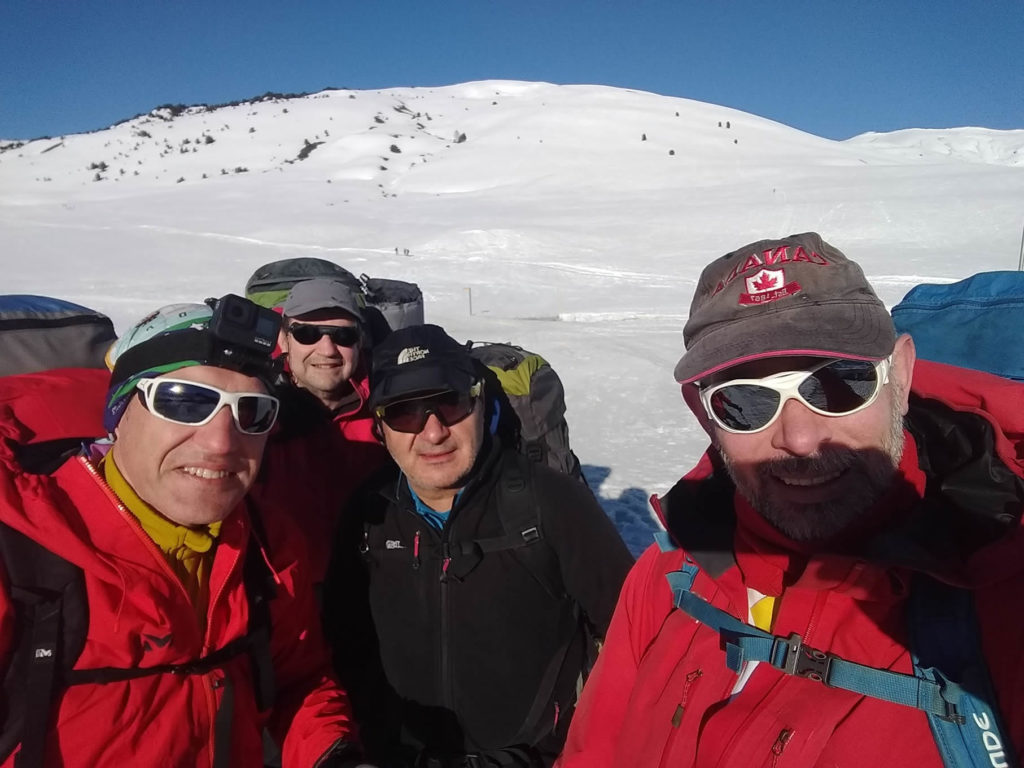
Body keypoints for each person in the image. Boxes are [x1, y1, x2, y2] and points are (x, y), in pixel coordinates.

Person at [557, 232, 1024, 767]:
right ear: (702, 412)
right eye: (745, 402)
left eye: (841, 384)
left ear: (901, 372)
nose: (799, 439)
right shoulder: (668, 577)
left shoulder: (1003, 603)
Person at [0, 297, 372, 768]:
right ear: (120, 413)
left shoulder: (268, 543)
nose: (221, 442)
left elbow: (297, 678)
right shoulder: (21, 549)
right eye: (184, 402)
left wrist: (330, 755)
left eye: (252, 412)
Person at [323, 324, 634, 768]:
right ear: (380, 427)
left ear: (479, 405)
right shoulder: (367, 512)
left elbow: (638, 639)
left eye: (448, 404)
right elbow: (340, 645)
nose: (432, 433)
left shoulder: (550, 502)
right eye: (404, 413)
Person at [254, 278, 389, 585]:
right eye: (307, 333)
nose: (327, 349)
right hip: (286, 598)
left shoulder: (391, 406)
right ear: (284, 340)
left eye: (343, 335)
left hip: (375, 590)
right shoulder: (255, 409)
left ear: (359, 341)